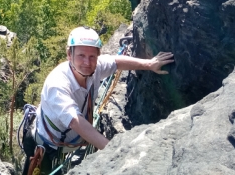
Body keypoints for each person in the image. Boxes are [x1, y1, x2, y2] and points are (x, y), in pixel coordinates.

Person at [22, 26, 174, 175]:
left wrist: (149, 64)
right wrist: (112, 151)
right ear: (69, 54)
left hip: (65, 144)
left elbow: (116, 62)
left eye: (92, 56)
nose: (87, 62)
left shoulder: (95, 67)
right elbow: (75, 121)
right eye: (81, 55)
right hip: (44, 147)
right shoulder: (58, 84)